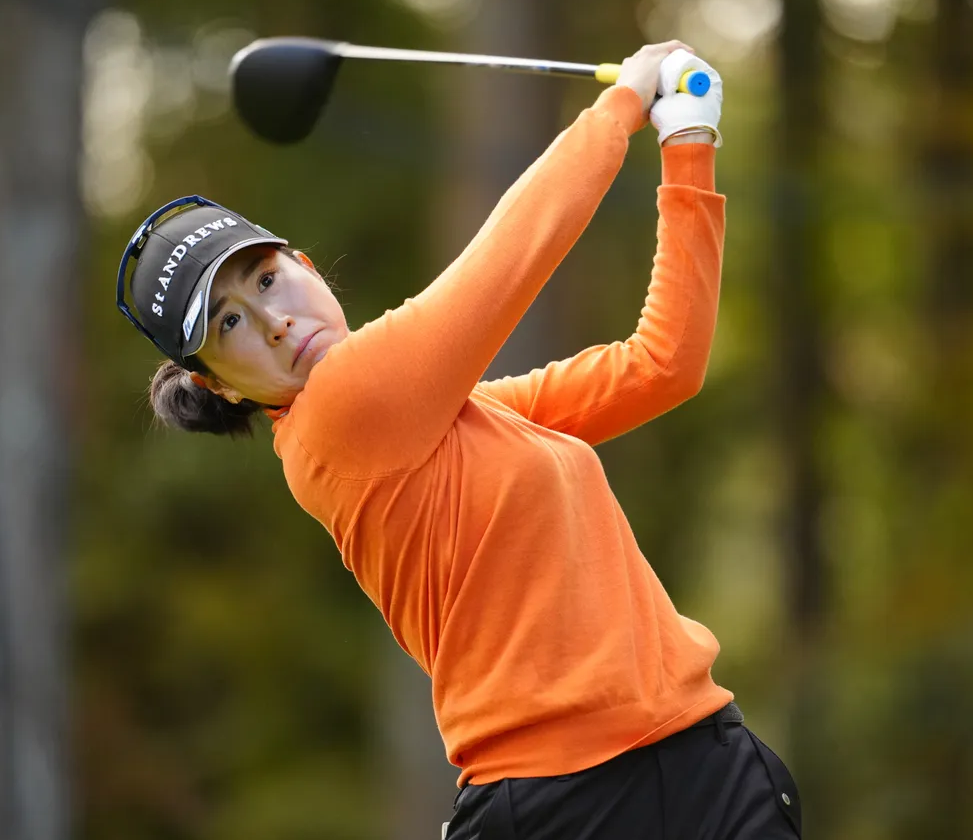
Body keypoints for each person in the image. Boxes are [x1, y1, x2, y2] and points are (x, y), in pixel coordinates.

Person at [115, 41, 801, 839]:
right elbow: (510, 256)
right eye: (230, 322)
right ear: (220, 387)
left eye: (267, 278)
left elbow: (662, 366)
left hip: (704, 763)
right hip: (563, 806)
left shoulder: (469, 415)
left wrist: (688, 145)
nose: (274, 321)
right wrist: (623, 107)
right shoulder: (339, 414)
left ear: (305, 266)